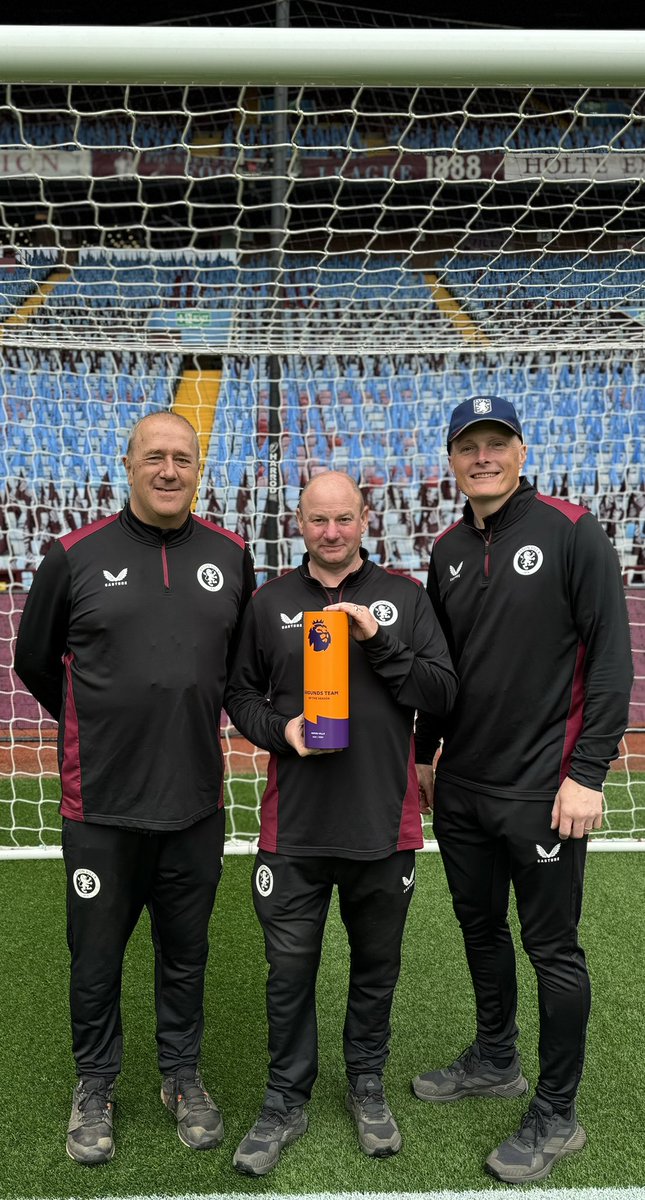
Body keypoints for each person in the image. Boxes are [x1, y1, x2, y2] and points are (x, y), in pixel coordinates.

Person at [14, 410, 255, 1165]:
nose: (168, 470)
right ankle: (95, 1085)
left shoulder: (231, 555)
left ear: (197, 469)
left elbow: (239, 670)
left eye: (182, 458)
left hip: (194, 805)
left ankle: (181, 1076)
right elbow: (34, 662)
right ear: (127, 465)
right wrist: (99, 719)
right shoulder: (72, 555)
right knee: (95, 959)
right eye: (154, 457)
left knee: (186, 954)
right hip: (101, 808)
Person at [412, 396, 633, 1184]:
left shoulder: (572, 531)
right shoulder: (442, 550)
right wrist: (424, 753)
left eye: (494, 443)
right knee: (479, 929)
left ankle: (556, 1113)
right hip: (463, 788)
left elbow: (611, 660)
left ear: (518, 448)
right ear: (451, 460)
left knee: (553, 951)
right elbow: (439, 672)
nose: (482, 457)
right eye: (467, 446)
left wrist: (585, 774)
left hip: (544, 790)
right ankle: (494, 1059)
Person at [224, 470, 458, 1177]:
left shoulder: (405, 600)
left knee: (375, 970)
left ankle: (366, 1085)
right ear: (299, 522)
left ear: (365, 519)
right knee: (288, 972)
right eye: (318, 520)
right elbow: (238, 695)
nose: (331, 533)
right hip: (292, 830)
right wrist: (280, 729)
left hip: (383, 827)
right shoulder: (268, 604)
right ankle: (283, 1099)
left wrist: (380, 642)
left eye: (343, 520)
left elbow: (441, 691)